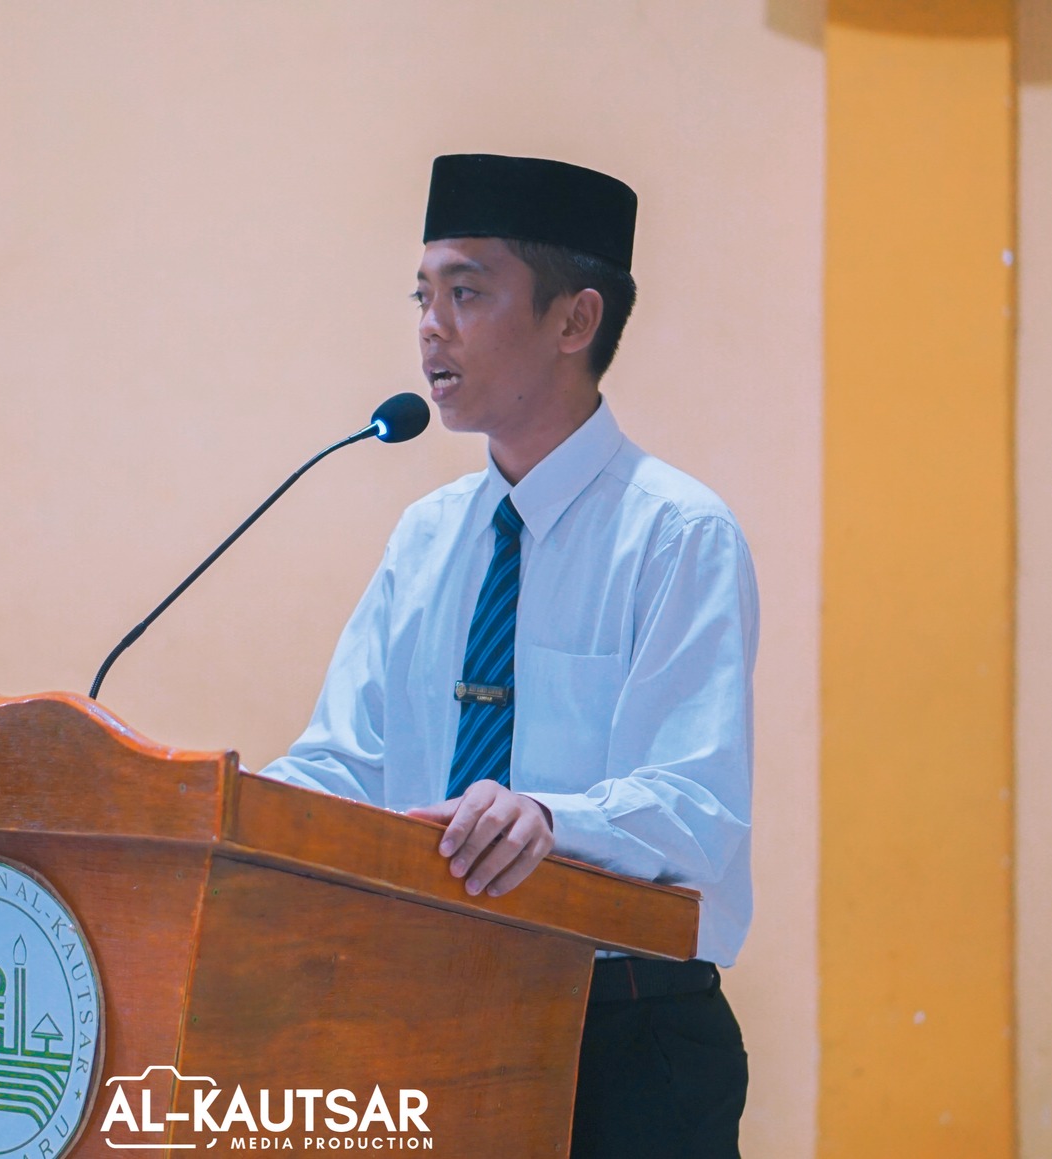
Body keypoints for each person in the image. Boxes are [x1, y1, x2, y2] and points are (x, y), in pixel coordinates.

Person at [258, 154, 756, 1157]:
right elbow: (346, 764)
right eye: (423, 295)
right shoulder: (425, 537)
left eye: (467, 292)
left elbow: (695, 807)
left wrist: (546, 820)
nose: (430, 326)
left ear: (574, 321)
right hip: (430, 1012)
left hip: (621, 1039)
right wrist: (209, 810)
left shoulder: (676, 535)